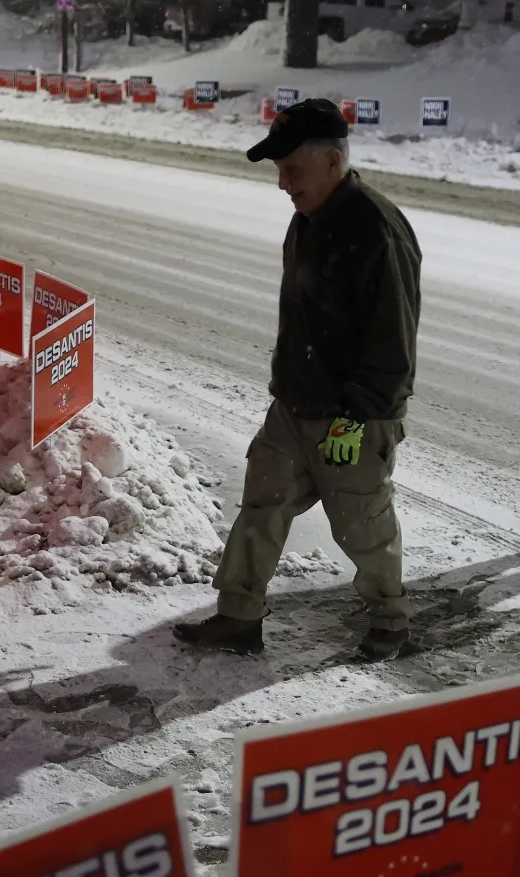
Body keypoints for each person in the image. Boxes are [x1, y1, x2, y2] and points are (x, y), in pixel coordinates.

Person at [174, 98, 423, 662]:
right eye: (279, 171)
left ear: (333, 162)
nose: (283, 184)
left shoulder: (376, 230)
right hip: (294, 404)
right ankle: (238, 617)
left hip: (351, 414)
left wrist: (356, 415)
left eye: (292, 170)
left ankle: (391, 622)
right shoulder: (309, 218)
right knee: (260, 506)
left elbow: (393, 340)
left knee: (363, 524)